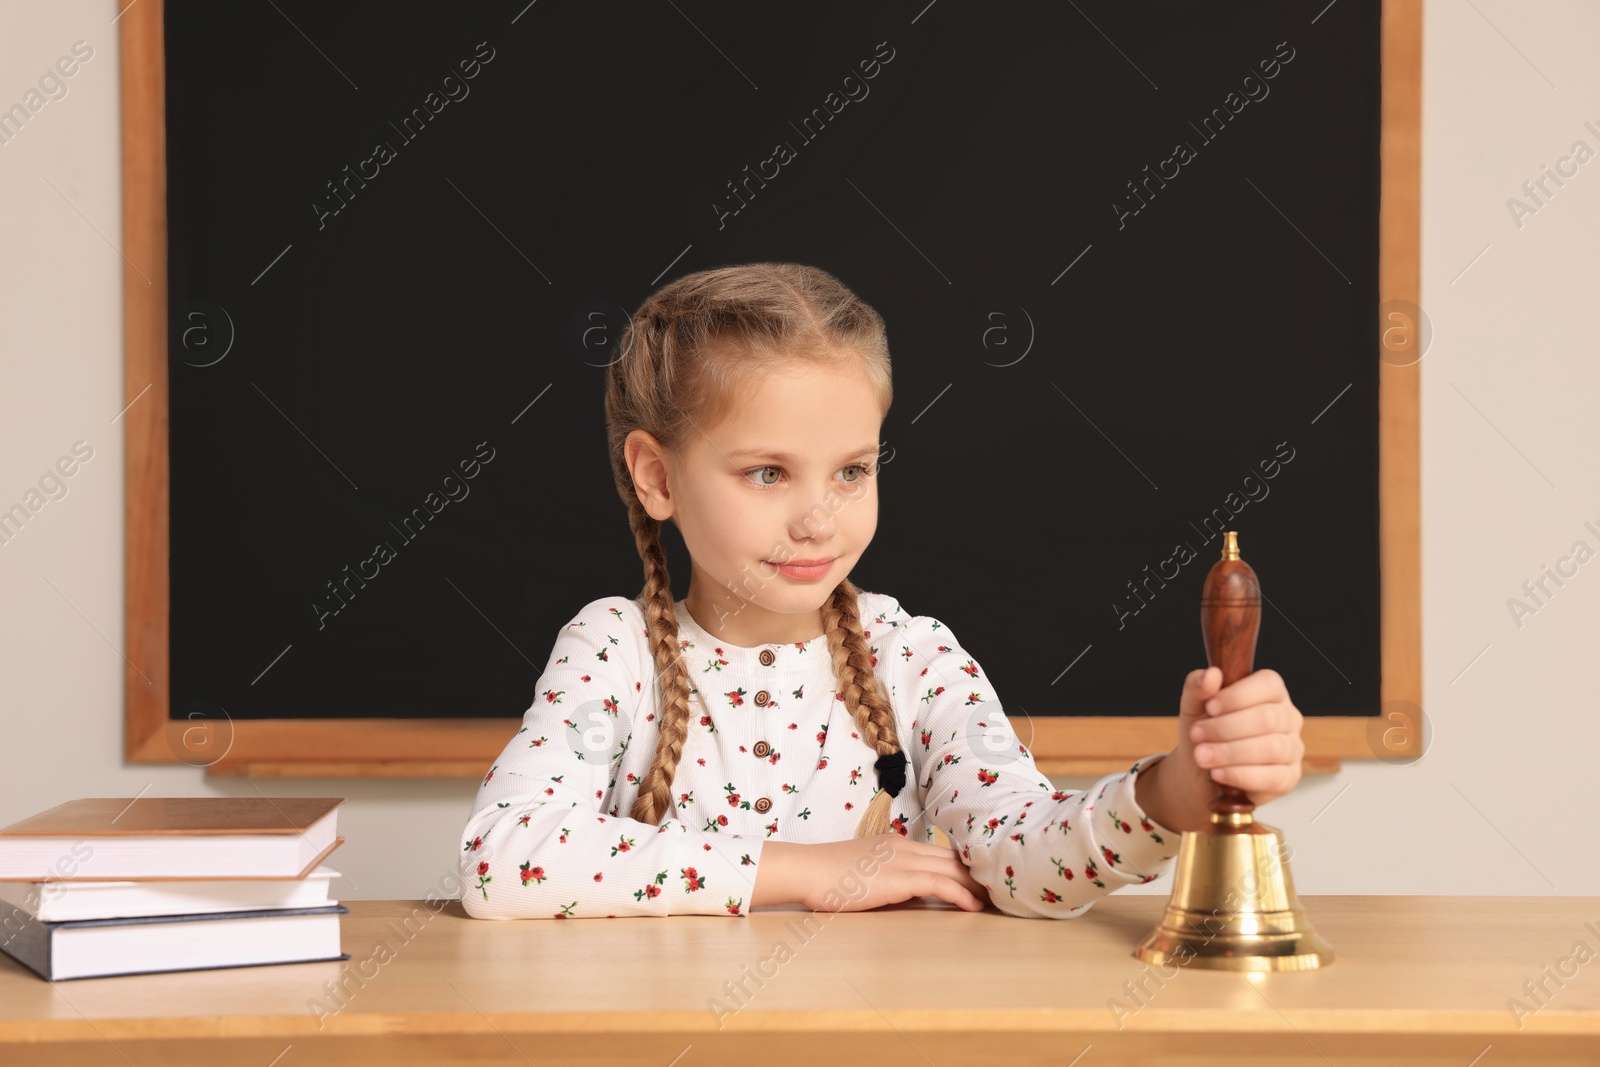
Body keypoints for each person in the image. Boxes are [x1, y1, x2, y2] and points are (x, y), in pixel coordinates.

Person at [457, 262, 1305, 920]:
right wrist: (806, 872)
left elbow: (1023, 860)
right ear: (656, 476)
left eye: (852, 471)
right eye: (767, 472)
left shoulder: (912, 657)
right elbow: (502, 859)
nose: (819, 519)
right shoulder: (616, 649)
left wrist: (1172, 794)